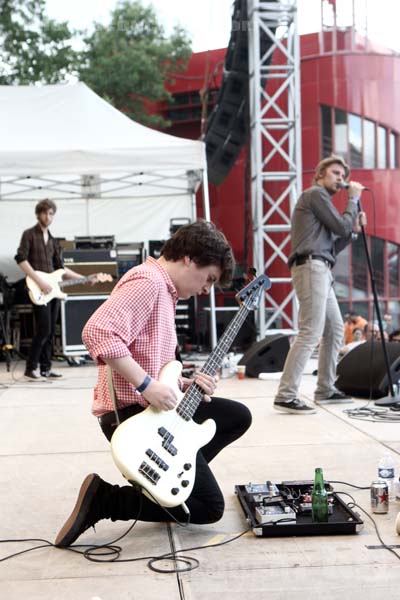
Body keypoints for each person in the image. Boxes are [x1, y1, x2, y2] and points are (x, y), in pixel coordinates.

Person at [54, 220, 252, 547]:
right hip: (132, 415)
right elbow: (97, 332)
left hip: (153, 407)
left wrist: (183, 382)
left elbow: (147, 357)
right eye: (209, 279)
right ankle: (106, 500)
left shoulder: (165, 290)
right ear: (189, 258)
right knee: (208, 507)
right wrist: (147, 385)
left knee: (236, 417)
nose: (207, 289)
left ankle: (166, 479)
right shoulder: (148, 282)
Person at [273, 155, 366, 414]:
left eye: (343, 175)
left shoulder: (321, 205)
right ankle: (286, 394)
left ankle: (325, 388)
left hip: (322, 266)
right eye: (336, 173)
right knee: (311, 331)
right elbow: (340, 225)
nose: (341, 179)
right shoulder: (315, 194)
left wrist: (355, 230)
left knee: (335, 329)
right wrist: (353, 200)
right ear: (320, 174)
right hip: (311, 266)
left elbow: (334, 245)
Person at [15, 199, 105, 380]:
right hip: (38, 288)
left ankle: (46, 369)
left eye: (50, 213)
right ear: (38, 214)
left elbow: (61, 269)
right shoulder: (29, 235)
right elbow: (21, 259)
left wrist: (84, 279)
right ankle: (30, 368)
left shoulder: (54, 241)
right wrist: (39, 281)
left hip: (52, 290)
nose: (47, 217)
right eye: (44, 213)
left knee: (49, 331)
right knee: (43, 329)